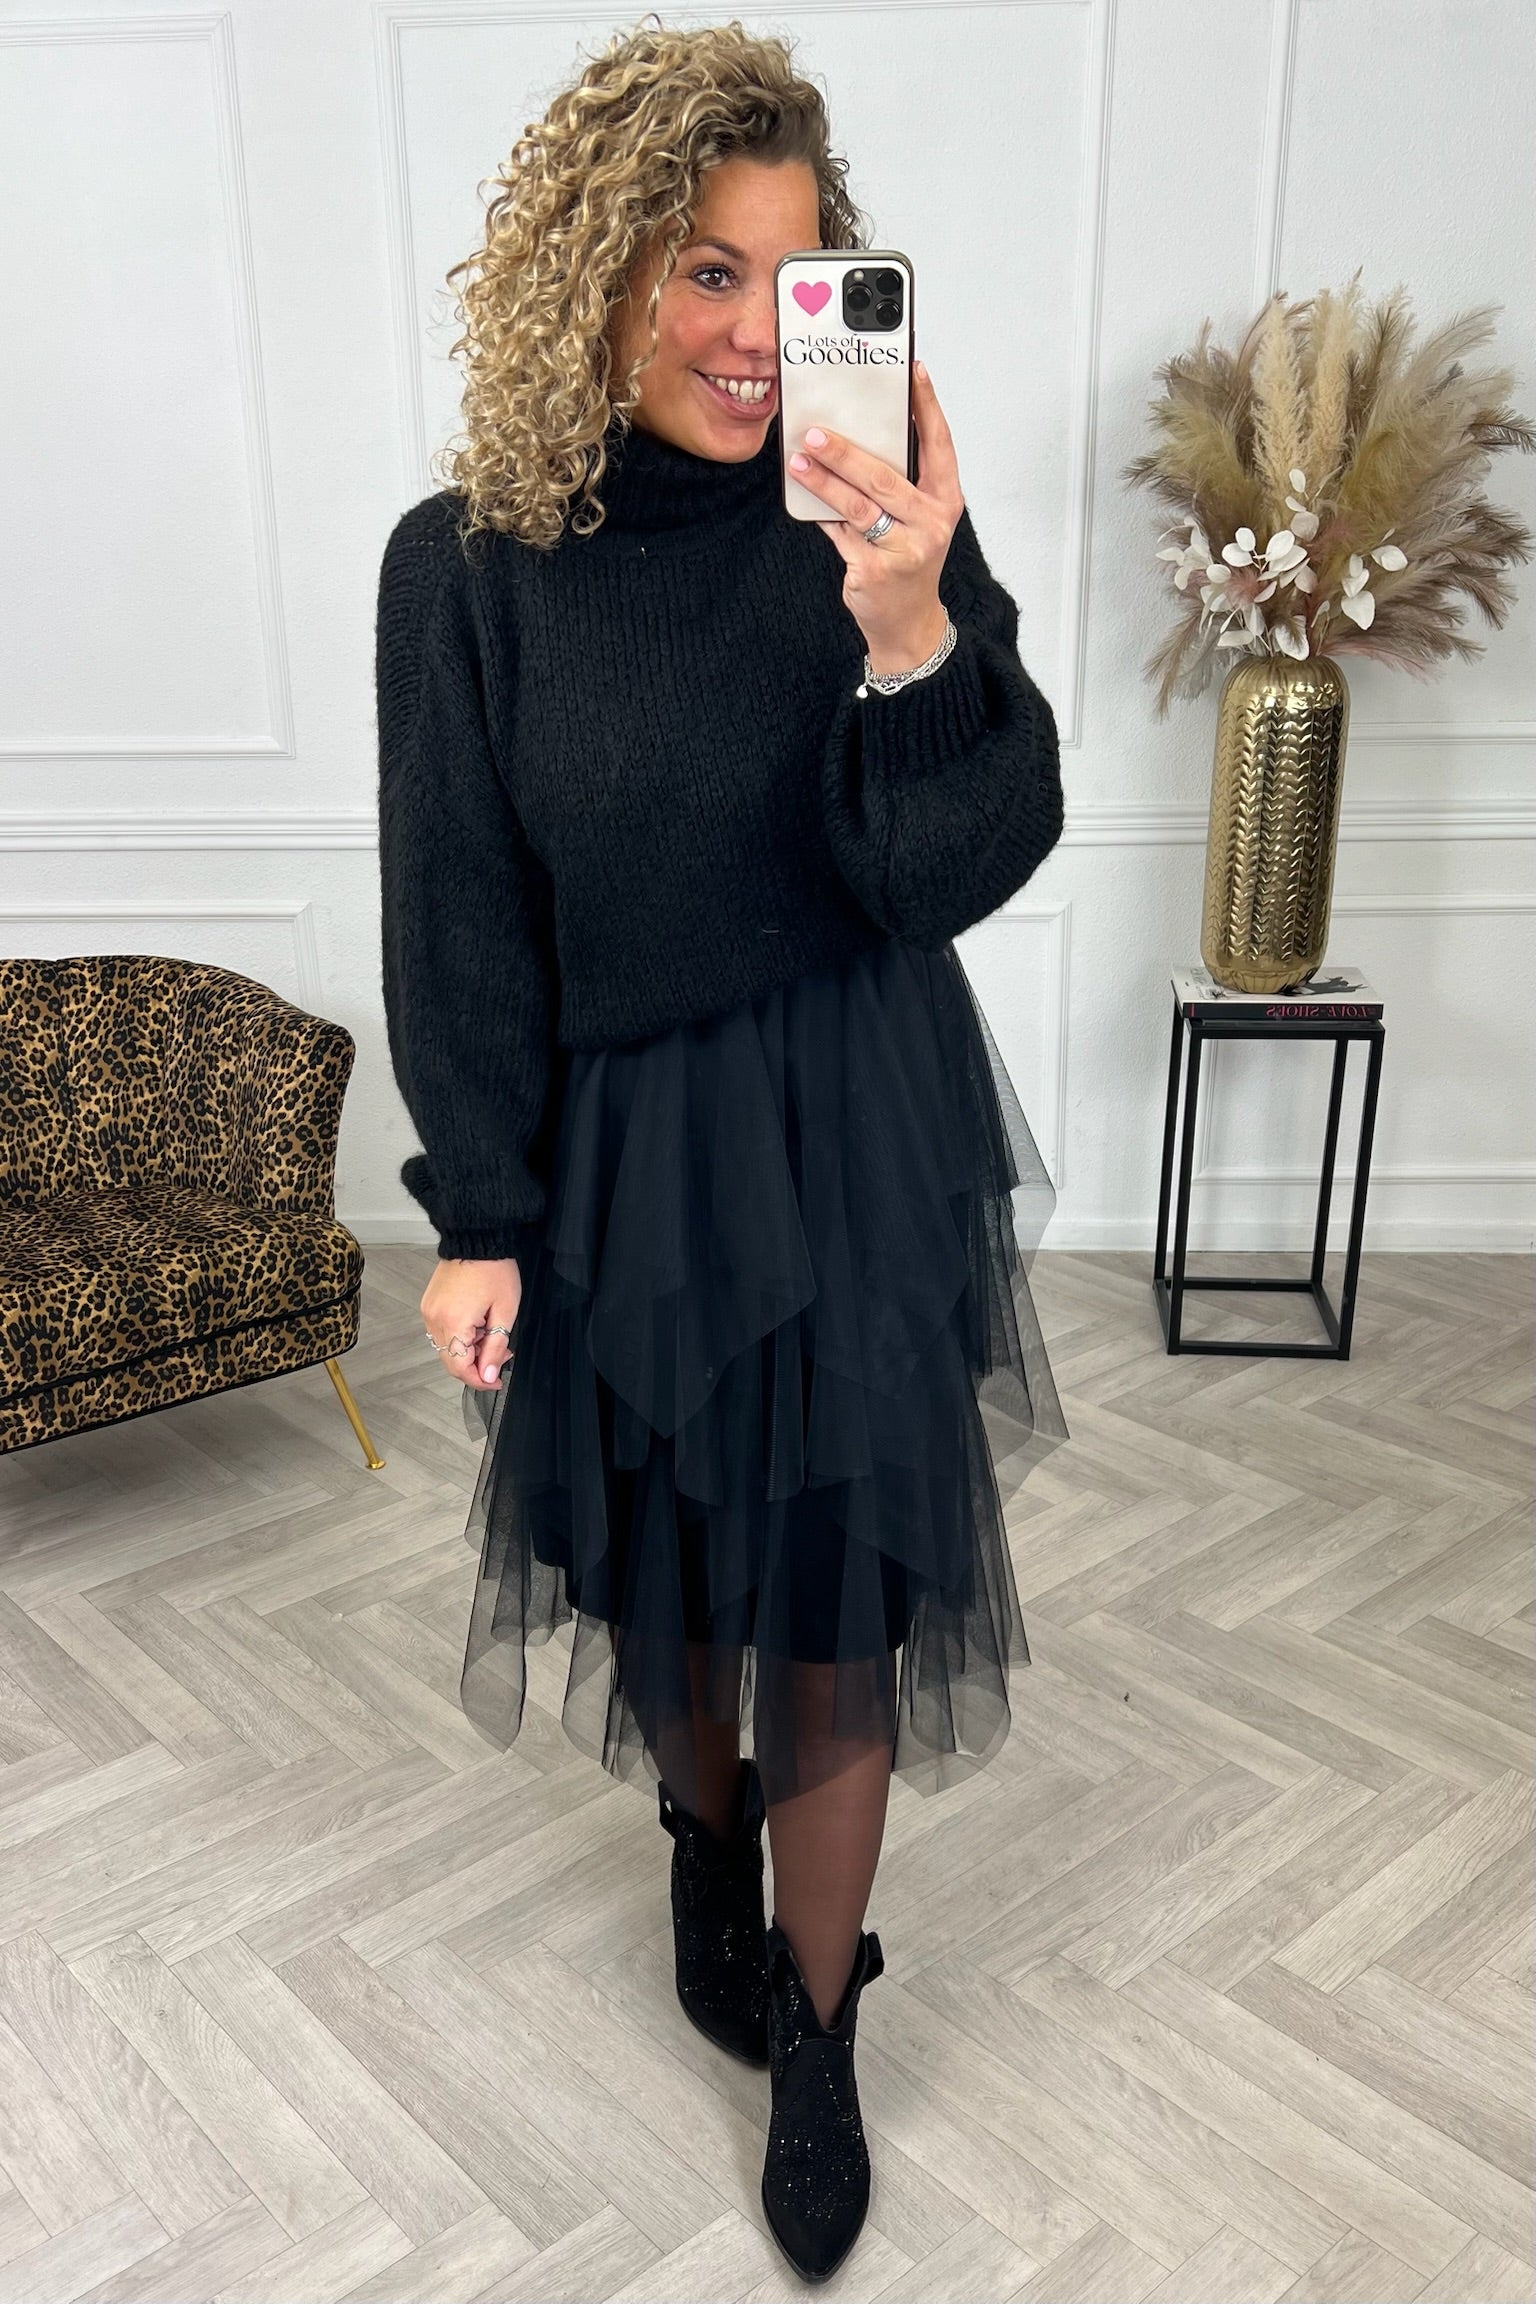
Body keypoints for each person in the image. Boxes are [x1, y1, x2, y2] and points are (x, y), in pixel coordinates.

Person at [375, 16, 1069, 2282]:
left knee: (837, 1598)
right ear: (591, 275)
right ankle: (707, 1843)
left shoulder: (871, 522)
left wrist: (908, 626)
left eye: (791, 276)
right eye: (700, 270)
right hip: (622, 1149)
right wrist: (480, 1211)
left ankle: (825, 2023)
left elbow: (962, 857)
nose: (756, 332)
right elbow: (462, 911)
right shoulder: (470, 567)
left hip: (854, 1117)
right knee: (671, 1575)